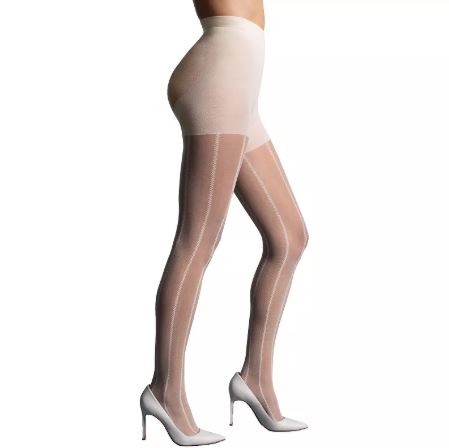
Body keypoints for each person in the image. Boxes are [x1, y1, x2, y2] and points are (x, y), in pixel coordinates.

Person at [140, 1, 309, 445]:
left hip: (240, 83)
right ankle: (165, 391)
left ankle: (256, 379)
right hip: (220, 73)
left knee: (289, 237)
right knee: (197, 240)